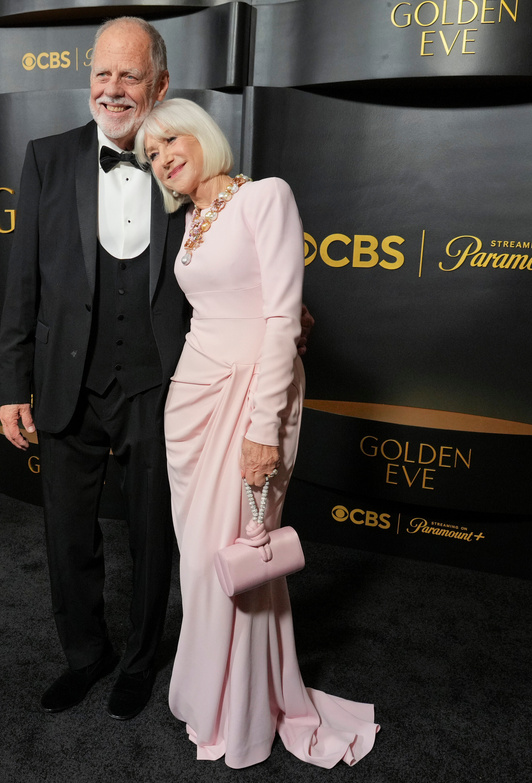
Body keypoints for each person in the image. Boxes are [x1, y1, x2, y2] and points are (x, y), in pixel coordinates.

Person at [136, 98, 379, 768]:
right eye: (151, 154)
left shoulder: (265, 197)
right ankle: (213, 695)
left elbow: (280, 316)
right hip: (191, 401)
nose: (163, 159)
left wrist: (264, 426)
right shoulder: (189, 220)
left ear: (203, 136)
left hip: (251, 401)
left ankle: (239, 713)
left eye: (171, 141)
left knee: (240, 556)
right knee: (201, 561)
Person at [0, 17, 185, 721]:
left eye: (129, 75)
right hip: (65, 377)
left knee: (152, 533)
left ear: (159, 85)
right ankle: (86, 654)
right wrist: (12, 383)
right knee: (68, 532)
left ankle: (139, 661)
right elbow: (22, 280)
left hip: (156, 380)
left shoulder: (185, 161)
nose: (112, 88)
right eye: (102, 73)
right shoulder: (47, 158)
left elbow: (230, 255)